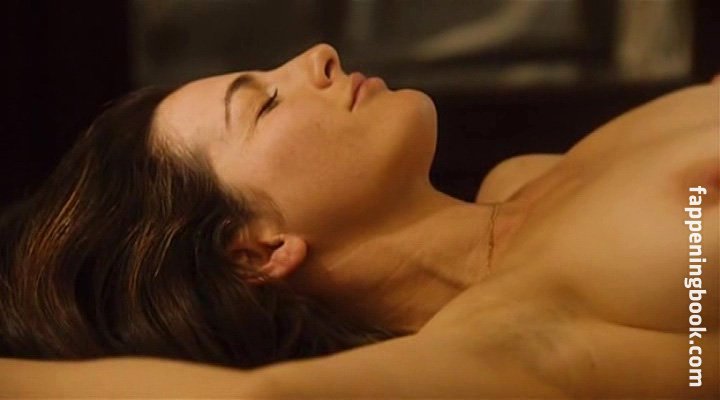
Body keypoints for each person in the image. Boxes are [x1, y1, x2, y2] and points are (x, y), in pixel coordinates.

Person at [0, 43, 718, 398]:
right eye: (265, 104)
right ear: (257, 251)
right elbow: (257, 399)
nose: (318, 56)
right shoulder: (511, 335)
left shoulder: (525, 177)